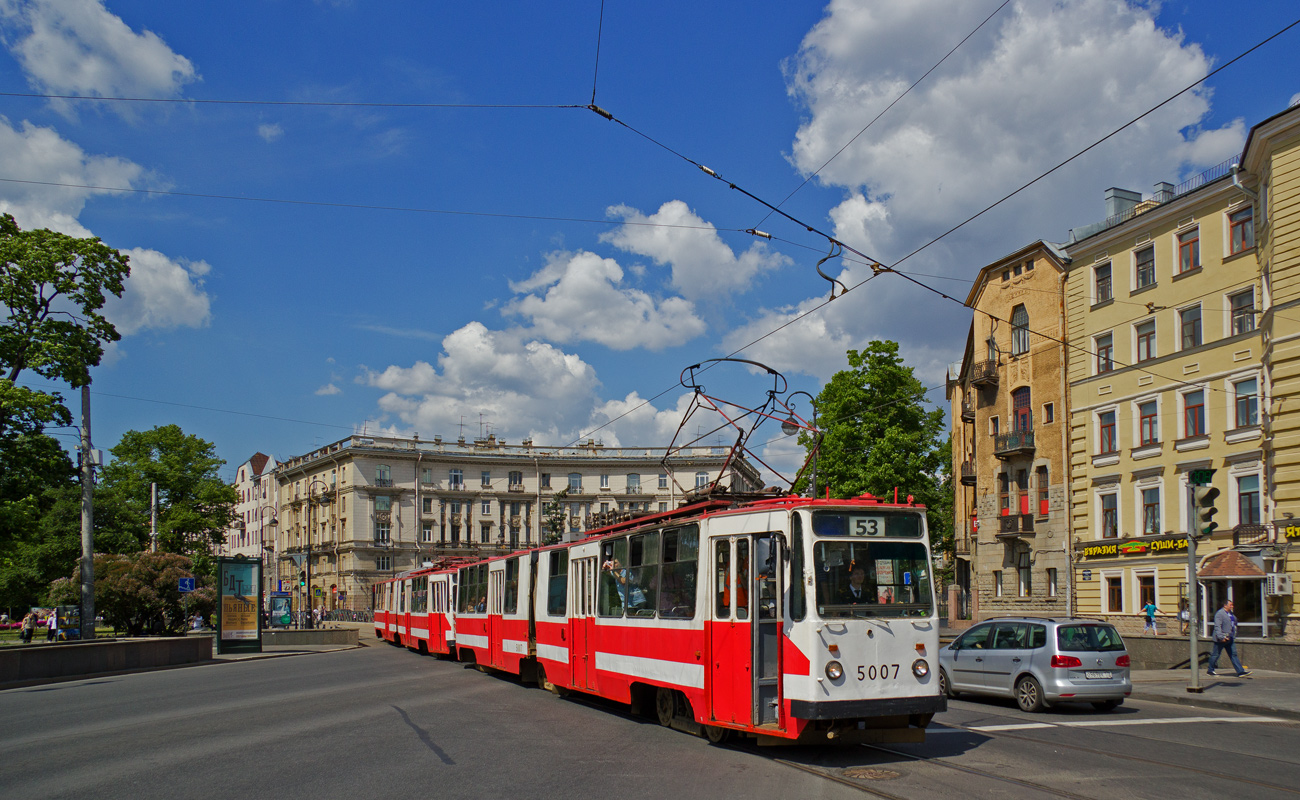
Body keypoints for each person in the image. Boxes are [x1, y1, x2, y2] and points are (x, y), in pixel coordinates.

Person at [1208, 599, 1251, 677]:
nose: (1232, 606)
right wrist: (1221, 637)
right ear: (1225, 605)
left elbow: (1233, 624)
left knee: (1233, 654)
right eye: (1230, 605)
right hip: (1221, 639)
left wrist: (1233, 634)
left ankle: (1240, 672)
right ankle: (1210, 670)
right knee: (1215, 655)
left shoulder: (1231, 614)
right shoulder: (1219, 614)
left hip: (1229, 638)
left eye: (1232, 605)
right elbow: (1217, 626)